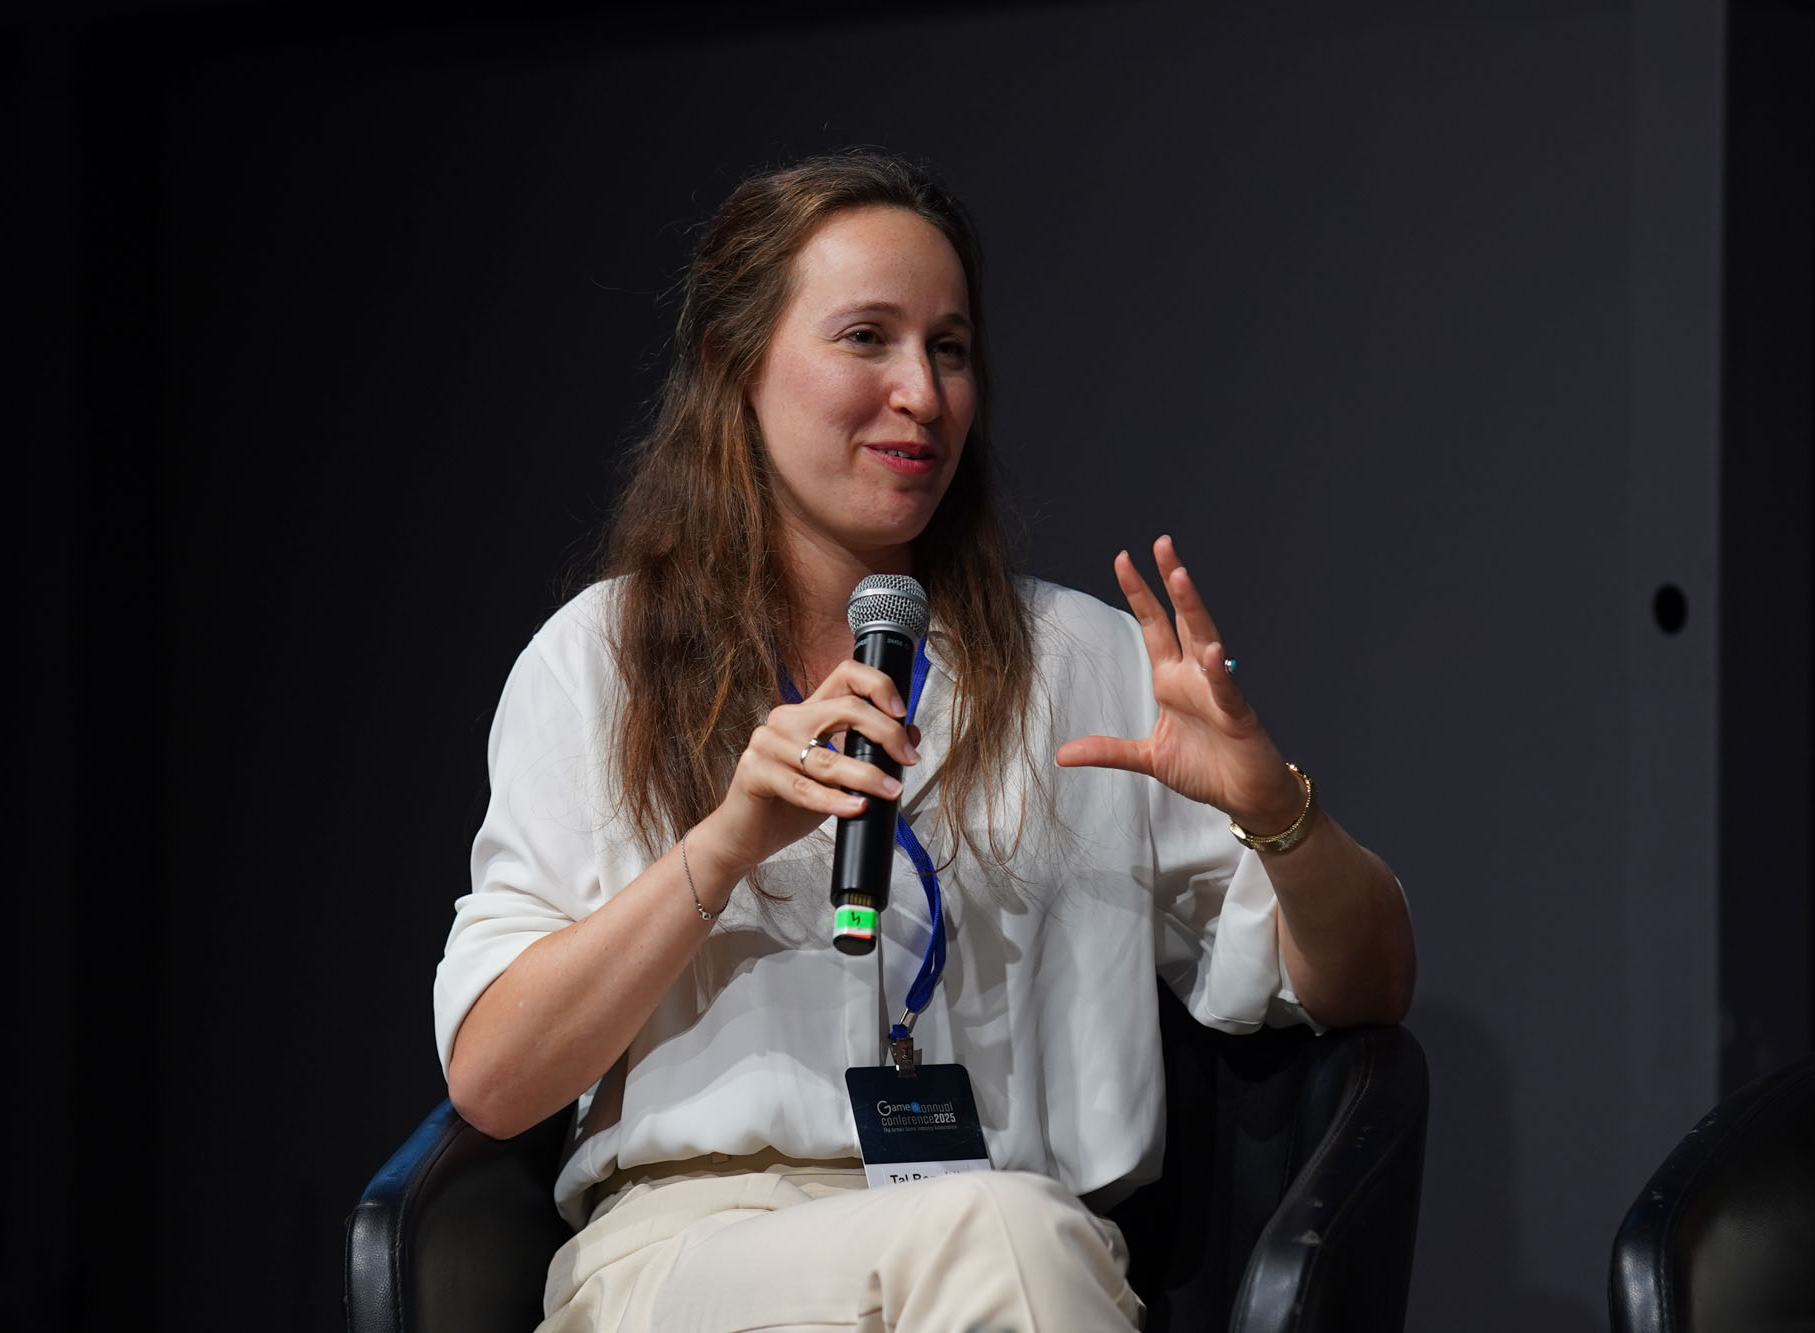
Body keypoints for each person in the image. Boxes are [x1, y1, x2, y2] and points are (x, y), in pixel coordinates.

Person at [433, 148, 1416, 1333]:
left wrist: (1277, 813)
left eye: (948, 349)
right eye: (867, 339)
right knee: (1002, 1240)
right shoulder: (600, 659)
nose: (922, 393)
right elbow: (493, 1081)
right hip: (685, 1261)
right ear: (733, 364)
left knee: (1005, 1235)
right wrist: (721, 846)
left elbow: (1365, 987)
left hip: (1012, 1247)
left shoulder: (1086, 662)